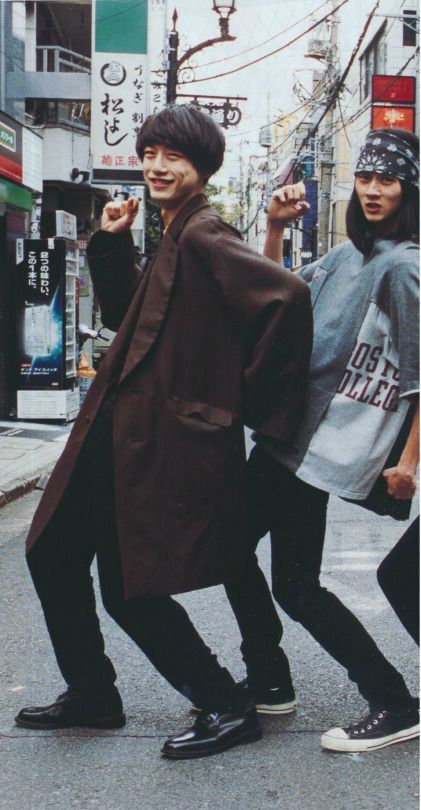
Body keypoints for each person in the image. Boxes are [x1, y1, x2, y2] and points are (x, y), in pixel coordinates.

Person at [15, 105, 312, 760]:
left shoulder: (205, 235)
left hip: (152, 439)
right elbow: (129, 319)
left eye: (171, 156)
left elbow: (285, 299)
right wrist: (113, 240)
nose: (155, 166)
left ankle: (227, 705)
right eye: (149, 153)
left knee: (129, 585)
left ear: (200, 167)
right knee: (52, 551)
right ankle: (93, 691)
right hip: (116, 432)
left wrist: (226, 405)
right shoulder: (174, 234)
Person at [225, 127, 420, 753]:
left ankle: (375, 697)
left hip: (315, 446)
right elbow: (277, 299)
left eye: (387, 179)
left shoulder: (403, 266)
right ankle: (296, 683)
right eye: (365, 177)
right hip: (293, 439)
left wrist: (410, 462)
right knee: (278, 575)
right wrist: (278, 228)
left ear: (409, 189)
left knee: (240, 553)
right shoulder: (346, 256)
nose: (371, 189)